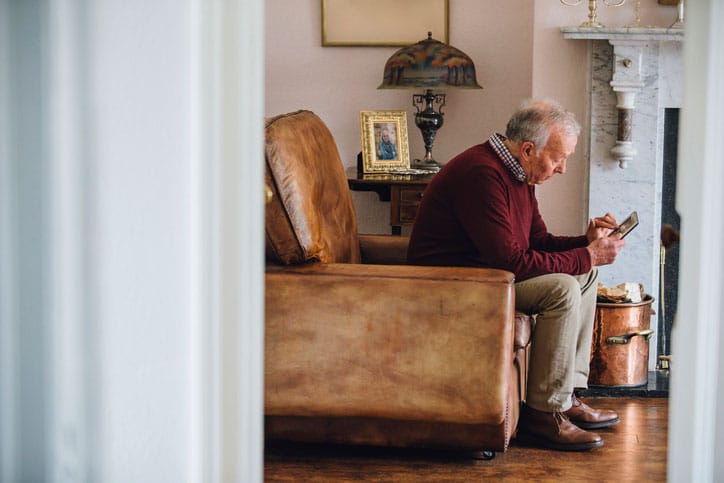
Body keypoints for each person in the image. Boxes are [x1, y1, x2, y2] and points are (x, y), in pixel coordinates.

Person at [407, 98, 626, 451]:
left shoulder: (518, 173)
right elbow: (510, 261)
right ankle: (543, 413)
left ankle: (565, 394)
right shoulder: (483, 174)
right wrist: (586, 255)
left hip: (487, 275)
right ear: (528, 149)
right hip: (453, 283)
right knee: (564, 288)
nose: (562, 168)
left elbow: (536, 240)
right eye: (558, 158)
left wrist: (585, 243)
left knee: (585, 276)